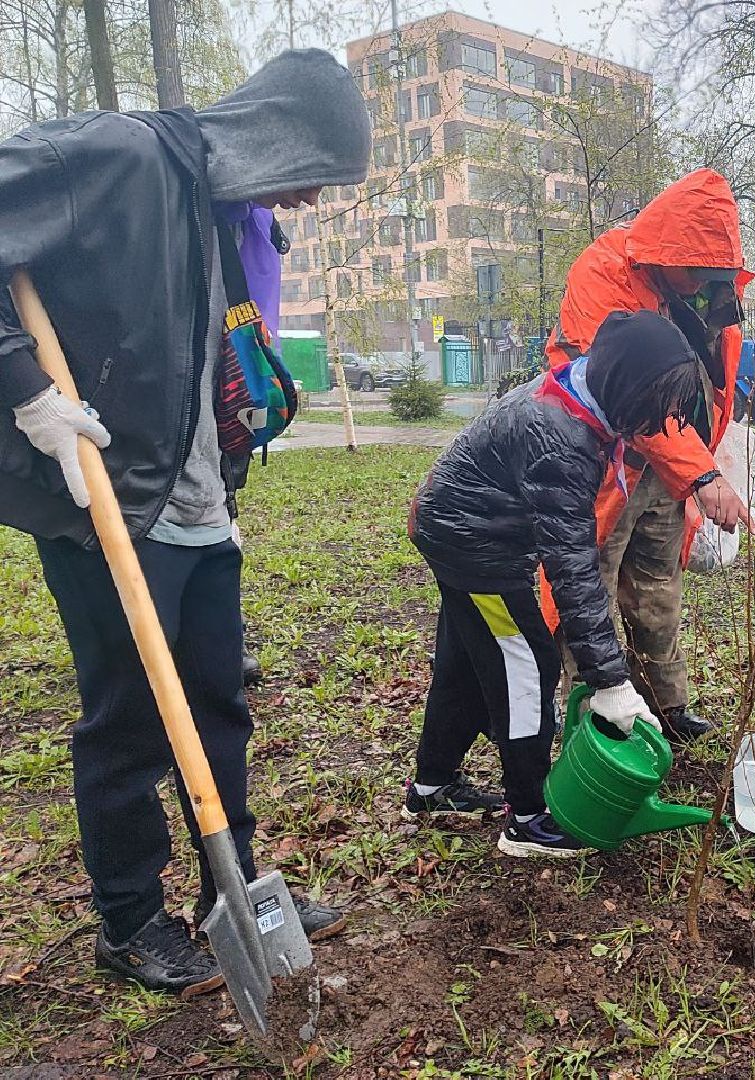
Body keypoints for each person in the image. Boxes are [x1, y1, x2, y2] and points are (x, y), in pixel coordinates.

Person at [0, 49, 369, 996]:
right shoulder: (118, 157)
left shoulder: (217, 210)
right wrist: (25, 385)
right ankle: (127, 923)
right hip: (109, 503)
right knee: (127, 719)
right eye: (317, 175)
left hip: (200, 504)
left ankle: (236, 886)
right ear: (280, 134)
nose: (312, 202)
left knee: (217, 704)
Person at [406, 311, 706, 856]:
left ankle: (432, 786)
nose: (659, 422)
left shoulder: (578, 393)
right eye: (655, 407)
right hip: (477, 549)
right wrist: (612, 683)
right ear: (626, 387)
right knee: (526, 667)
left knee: (465, 663)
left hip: (451, 527)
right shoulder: (562, 441)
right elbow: (572, 570)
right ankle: (527, 818)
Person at [542, 169, 752, 745]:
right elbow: (631, 400)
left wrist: (710, 449)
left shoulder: (709, 286)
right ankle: (599, 720)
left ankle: (665, 706)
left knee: (659, 589)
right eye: (696, 273)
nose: (702, 285)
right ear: (667, 249)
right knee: (593, 592)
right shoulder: (604, 274)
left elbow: (714, 375)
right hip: (605, 465)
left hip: (668, 469)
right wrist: (702, 475)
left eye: (714, 275)